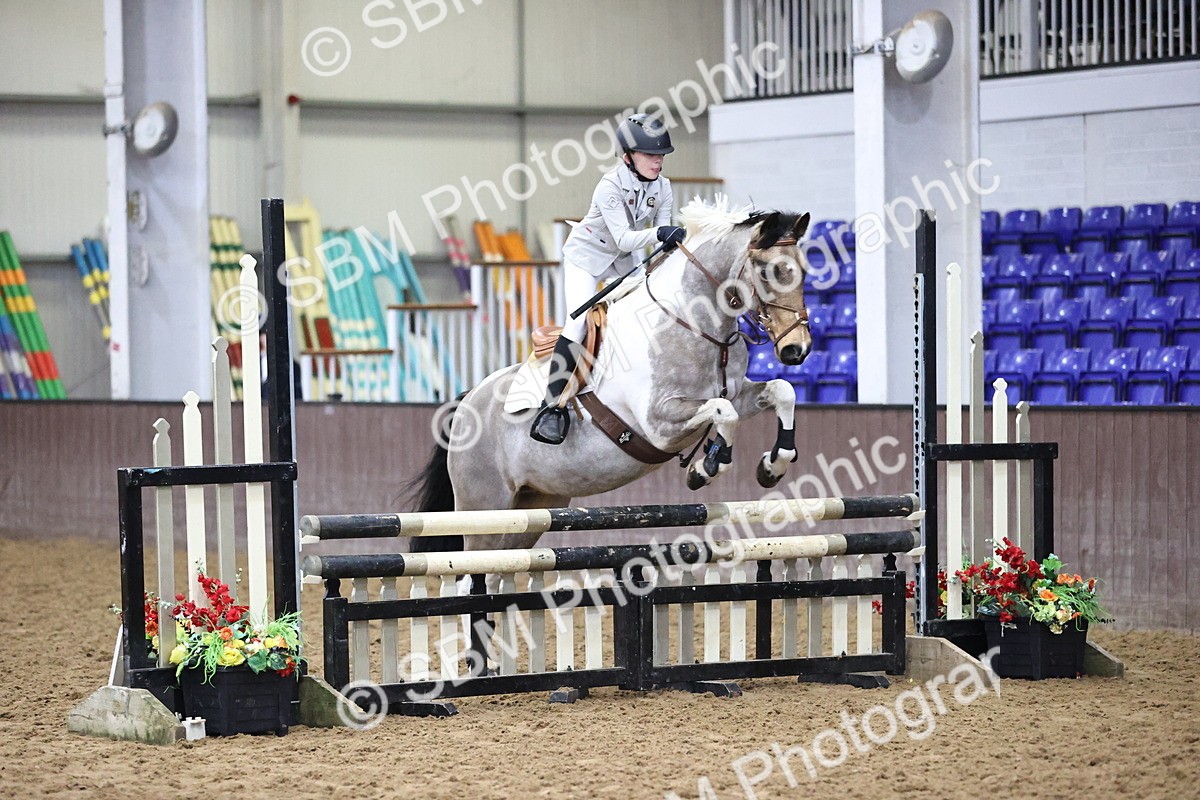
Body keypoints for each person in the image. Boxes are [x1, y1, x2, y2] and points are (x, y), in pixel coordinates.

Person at [528, 113, 687, 445]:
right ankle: (551, 406)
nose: (658, 162)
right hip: (586, 259)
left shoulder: (664, 187)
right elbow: (626, 237)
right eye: (650, 155)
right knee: (578, 323)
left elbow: (659, 239)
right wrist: (660, 232)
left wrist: (671, 240)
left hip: (623, 262)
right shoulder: (609, 186)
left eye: (660, 155)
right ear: (628, 156)